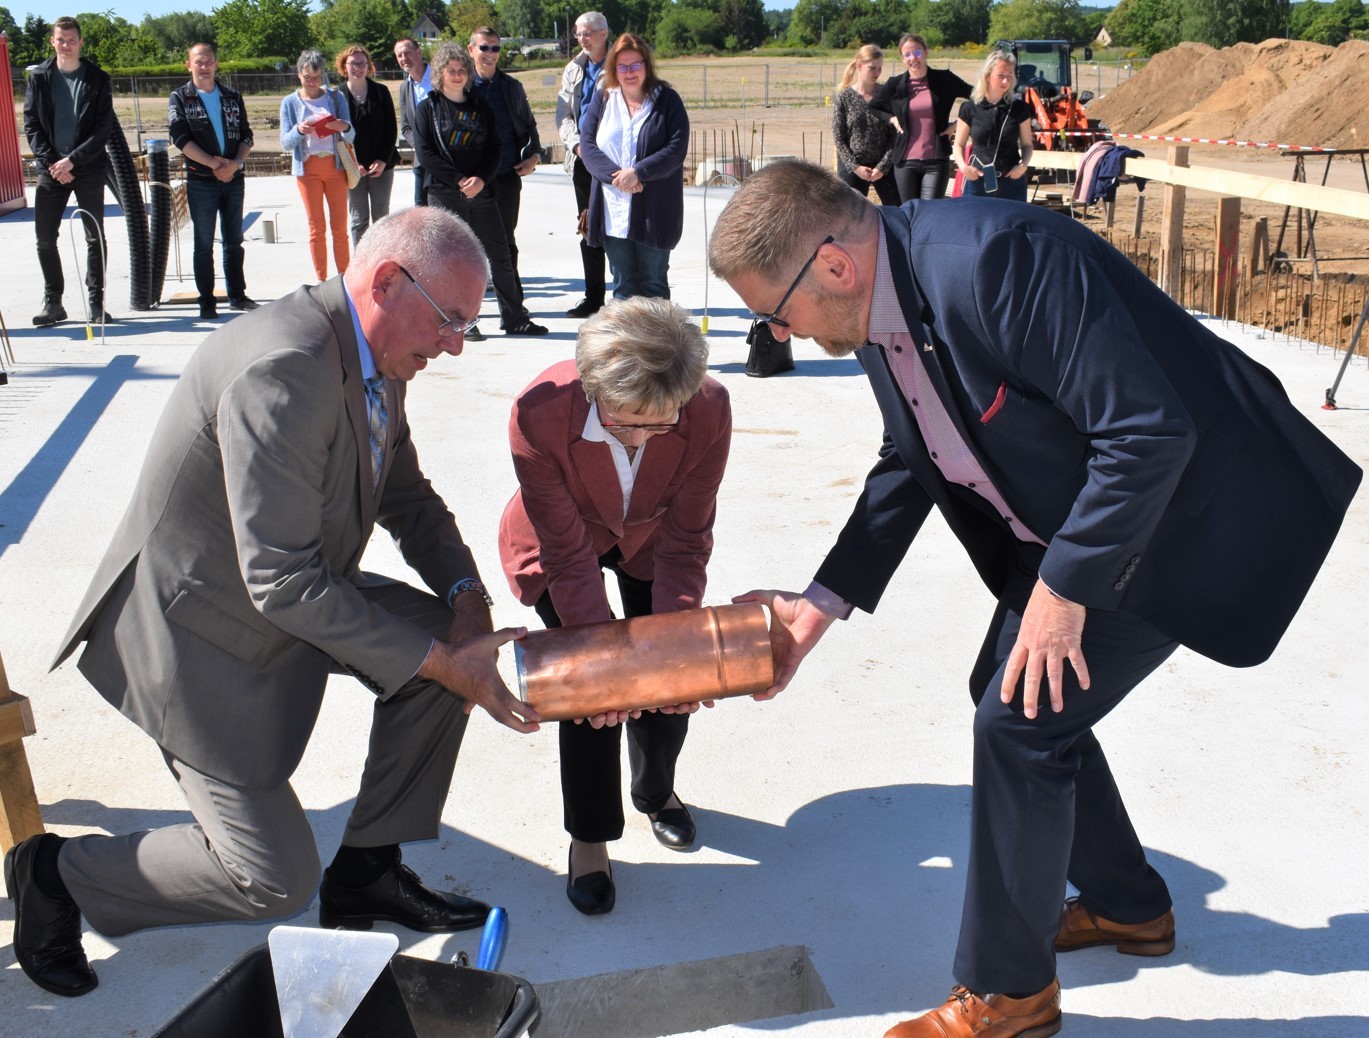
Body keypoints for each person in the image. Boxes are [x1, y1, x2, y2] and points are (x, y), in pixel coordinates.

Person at [707, 160, 1361, 1038]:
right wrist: (818, 605)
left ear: (831, 266)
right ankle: (1130, 906)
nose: (774, 333)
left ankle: (1010, 996)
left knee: (1015, 721)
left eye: (770, 312)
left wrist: (1062, 589)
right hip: (1082, 517)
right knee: (1019, 702)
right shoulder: (874, 306)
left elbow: (1146, 432)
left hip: (1175, 513)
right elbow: (915, 454)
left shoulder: (994, 261)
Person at [5, 206, 542, 1000]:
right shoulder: (283, 368)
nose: (457, 343)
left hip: (293, 587)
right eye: (452, 320)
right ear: (389, 283)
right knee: (272, 880)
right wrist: (443, 664)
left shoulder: (372, 354)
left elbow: (403, 491)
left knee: (449, 654)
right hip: (201, 638)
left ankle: (367, 867)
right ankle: (55, 873)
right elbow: (280, 580)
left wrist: (464, 598)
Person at [498, 296, 731, 915]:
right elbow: (569, 557)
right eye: (625, 422)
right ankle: (591, 837)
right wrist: (607, 662)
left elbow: (688, 537)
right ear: (592, 386)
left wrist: (671, 637)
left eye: (660, 426)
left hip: (655, 542)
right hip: (563, 542)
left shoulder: (708, 409)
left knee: (669, 664)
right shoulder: (539, 414)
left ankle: (658, 791)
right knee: (591, 682)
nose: (640, 439)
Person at [412, 42, 547, 338]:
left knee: (500, 255)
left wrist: (481, 180)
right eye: (451, 71)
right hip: (447, 194)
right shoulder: (428, 108)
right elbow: (425, 154)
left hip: (483, 193)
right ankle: (462, 320)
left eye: (462, 70)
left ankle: (514, 317)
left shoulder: (480, 106)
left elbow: (495, 149)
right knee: (455, 261)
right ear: (440, 74)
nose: (458, 75)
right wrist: (461, 180)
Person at [580, 33, 688, 301]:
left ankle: (659, 344)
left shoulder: (667, 101)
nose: (629, 72)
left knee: (654, 286)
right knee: (623, 286)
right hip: (613, 209)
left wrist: (638, 173)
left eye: (635, 64)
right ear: (614, 68)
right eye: (622, 66)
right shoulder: (604, 98)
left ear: (647, 65)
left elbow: (675, 149)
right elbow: (588, 144)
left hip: (654, 209)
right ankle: (626, 344)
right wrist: (619, 177)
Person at [23, 16, 114, 327]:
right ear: (52, 41)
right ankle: (53, 302)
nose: (66, 44)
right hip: (51, 169)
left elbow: (103, 130)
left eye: (71, 39)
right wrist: (52, 163)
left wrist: (73, 160)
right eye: (60, 39)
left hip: (87, 168)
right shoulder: (39, 77)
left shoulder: (98, 79)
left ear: (81, 42)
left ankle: (96, 302)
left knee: (94, 237)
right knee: (45, 239)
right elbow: (32, 124)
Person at [168, 42, 257, 320]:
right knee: (203, 243)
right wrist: (213, 164)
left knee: (234, 241)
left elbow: (246, 135)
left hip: (234, 178)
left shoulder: (232, 96)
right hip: (201, 181)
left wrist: (235, 164)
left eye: (209, 61)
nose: (204, 66)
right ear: (189, 65)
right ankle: (206, 300)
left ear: (216, 64)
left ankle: (237, 295)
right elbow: (180, 138)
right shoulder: (181, 97)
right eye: (199, 62)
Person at [468, 26, 540, 285]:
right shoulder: (461, 88)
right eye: (484, 47)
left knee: (506, 241)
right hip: (472, 179)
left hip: (507, 175)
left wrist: (534, 156)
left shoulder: (511, 87)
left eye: (495, 48)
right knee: (470, 243)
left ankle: (512, 304)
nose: (490, 53)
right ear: (471, 50)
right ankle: (471, 302)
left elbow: (530, 125)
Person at [280, 49, 355, 282]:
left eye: (317, 77)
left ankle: (344, 278)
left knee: (340, 228)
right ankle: (322, 280)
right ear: (299, 75)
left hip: (335, 168)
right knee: (316, 228)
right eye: (307, 77)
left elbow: (351, 135)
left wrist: (343, 126)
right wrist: (299, 130)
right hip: (307, 169)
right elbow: (285, 143)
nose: (312, 82)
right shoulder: (290, 102)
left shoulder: (335, 97)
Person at [869, 34, 971, 203]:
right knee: (909, 212)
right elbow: (873, 107)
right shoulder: (895, 84)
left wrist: (957, 125)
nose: (913, 58)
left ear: (926, 52)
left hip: (936, 162)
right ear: (902, 58)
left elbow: (978, 98)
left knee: (929, 213)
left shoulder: (944, 79)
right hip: (905, 162)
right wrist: (892, 119)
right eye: (907, 55)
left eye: (917, 52)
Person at [556, 10, 611, 318]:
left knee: (618, 229)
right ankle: (594, 297)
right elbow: (563, 113)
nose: (582, 39)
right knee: (588, 227)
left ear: (604, 33)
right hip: (581, 160)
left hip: (612, 160)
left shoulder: (620, 64)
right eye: (578, 34)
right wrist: (576, 144)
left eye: (587, 33)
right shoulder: (573, 69)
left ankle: (626, 296)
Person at [953, 50, 1034, 203]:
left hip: (1012, 182)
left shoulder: (1020, 108)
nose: (1006, 81)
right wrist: (964, 167)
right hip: (977, 181)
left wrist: (1023, 166)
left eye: (1009, 76)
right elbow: (958, 145)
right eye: (1001, 75)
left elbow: (1027, 144)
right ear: (988, 75)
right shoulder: (969, 108)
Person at [338, 44, 400, 245]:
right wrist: (353, 164)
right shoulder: (336, 96)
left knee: (382, 218)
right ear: (344, 66)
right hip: (352, 168)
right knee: (358, 220)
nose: (358, 67)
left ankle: (381, 264)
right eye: (353, 63)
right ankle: (361, 268)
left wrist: (382, 160)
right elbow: (337, 136)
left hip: (382, 166)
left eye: (362, 63)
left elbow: (391, 130)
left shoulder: (381, 92)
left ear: (369, 65)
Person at [832, 44, 899, 206]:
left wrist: (882, 167)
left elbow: (895, 136)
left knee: (897, 210)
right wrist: (855, 167)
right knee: (848, 213)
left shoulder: (888, 95)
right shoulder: (845, 97)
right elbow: (839, 137)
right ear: (859, 66)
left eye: (880, 68)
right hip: (853, 167)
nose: (877, 73)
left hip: (884, 168)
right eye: (872, 68)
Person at [395, 38, 433, 207]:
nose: (404, 58)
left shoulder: (441, 78)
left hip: (449, 162)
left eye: (407, 53)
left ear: (419, 52)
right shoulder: (405, 88)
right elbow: (405, 126)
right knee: (421, 212)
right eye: (399, 55)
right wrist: (421, 146)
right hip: (422, 161)